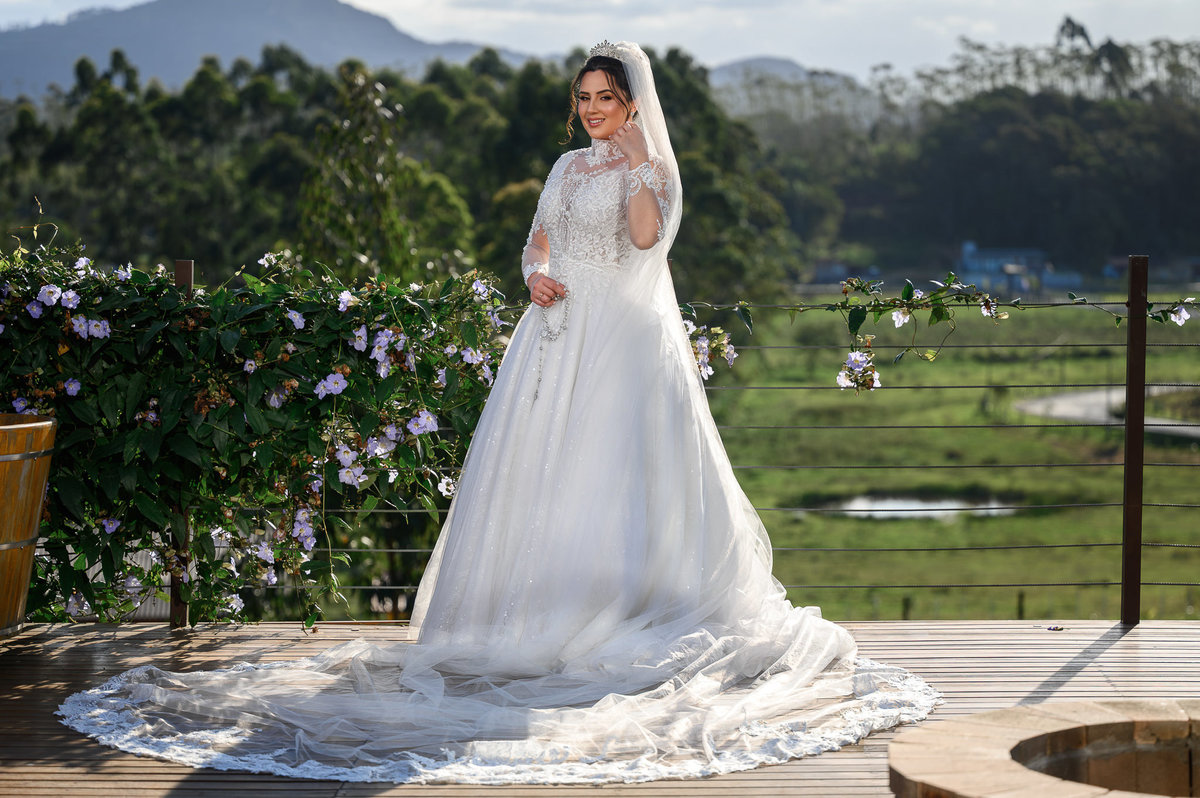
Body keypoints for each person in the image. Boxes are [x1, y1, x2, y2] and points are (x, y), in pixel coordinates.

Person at [58, 41, 939, 785]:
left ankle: (614, 613)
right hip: (553, 331)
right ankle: (528, 621)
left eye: (607, 99)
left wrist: (637, 162)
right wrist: (533, 274)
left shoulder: (654, 167)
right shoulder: (562, 166)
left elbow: (642, 242)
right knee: (538, 478)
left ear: (633, 104)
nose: (592, 110)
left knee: (610, 478)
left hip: (623, 345)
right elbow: (538, 237)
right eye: (584, 99)